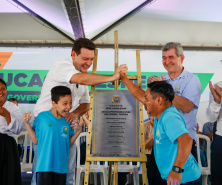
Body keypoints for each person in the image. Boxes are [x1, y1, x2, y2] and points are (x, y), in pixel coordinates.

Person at [31, 38, 128, 185]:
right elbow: (80, 79)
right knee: (43, 172)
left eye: (91, 59)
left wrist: (75, 114)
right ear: (73, 54)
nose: (88, 63)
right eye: (85, 58)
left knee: (68, 172)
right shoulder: (62, 66)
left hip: (66, 126)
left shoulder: (84, 74)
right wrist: (112, 77)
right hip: (46, 126)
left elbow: (86, 103)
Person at [149, 42, 202, 161]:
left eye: (171, 57)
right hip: (161, 141)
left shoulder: (192, 80)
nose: (167, 61)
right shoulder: (161, 79)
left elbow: (187, 107)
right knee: (157, 179)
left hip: (183, 142)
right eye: (164, 58)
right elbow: (152, 108)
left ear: (181, 58)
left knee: (183, 179)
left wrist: (163, 88)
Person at [143, 81, 201, 185]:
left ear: (159, 100)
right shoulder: (160, 115)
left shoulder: (169, 117)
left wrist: (176, 170)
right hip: (174, 179)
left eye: (146, 98)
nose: (144, 102)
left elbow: (186, 140)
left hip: (183, 179)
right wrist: (124, 79)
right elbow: (139, 94)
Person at [23, 86, 82, 185]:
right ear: (54, 103)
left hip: (61, 168)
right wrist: (27, 123)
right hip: (44, 167)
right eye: (65, 103)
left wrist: (78, 132)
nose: (69, 107)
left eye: (70, 103)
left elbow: (67, 144)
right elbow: (35, 141)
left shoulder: (69, 120)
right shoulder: (42, 117)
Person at [206, 53, 222, 185]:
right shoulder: (218, 86)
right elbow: (211, 118)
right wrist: (216, 102)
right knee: (219, 181)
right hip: (221, 141)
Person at [0, 78, 23, 185]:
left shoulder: (12, 107)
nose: (1, 92)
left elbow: (18, 129)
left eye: (3, 89)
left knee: (8, 177)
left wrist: (6, 114)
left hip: (7, 145)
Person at [144, 114, 154, 184]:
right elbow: (144, 146)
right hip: (149, 156)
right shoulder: (145, 126)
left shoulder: (165, 125)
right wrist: (157, 134)